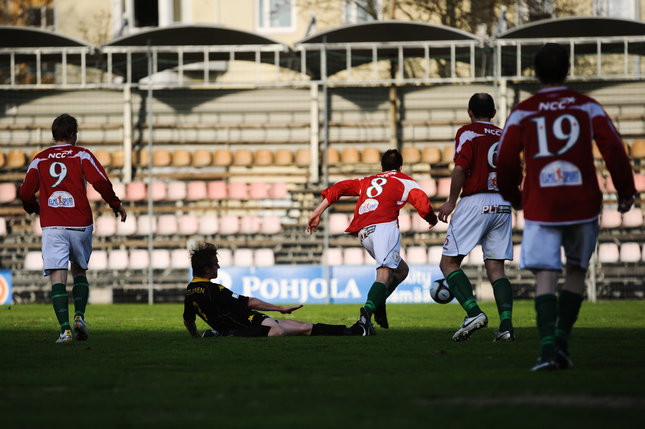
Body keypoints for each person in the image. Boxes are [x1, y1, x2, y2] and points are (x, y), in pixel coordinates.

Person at [497, 43, 636, 371]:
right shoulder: (587, 106)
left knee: (546, 273)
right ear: (568, 70)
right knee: (576, 269)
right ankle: (561, 343)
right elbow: (614, 148)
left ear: (534, 72)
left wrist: (515, 196)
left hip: (542, 204)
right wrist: (626, 190)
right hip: (582, 202)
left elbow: (504, 161)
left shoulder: (524, 110)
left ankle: (547, 351)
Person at [19, 113, 127, 343]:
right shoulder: (82, 154)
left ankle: (65, 330)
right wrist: (115, 204)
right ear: (73, 135)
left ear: (53, 135)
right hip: (80, 223)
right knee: (79, 271)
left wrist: (34, 208)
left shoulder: (40, 159)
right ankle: (79, 316)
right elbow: (100, 181)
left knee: (58, 276)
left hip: (53, 225)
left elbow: (25, 193)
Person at [306, 148, 438, 334]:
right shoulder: (405, 181)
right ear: (400, 167)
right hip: (384, 228)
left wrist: (317, 211)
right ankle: (365, 318)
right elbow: (422, 202)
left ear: (381, 167)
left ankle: (378, 301)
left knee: (401, 270)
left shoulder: (367, 181)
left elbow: (340, 187)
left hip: (363, 233)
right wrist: (432, 219)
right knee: (384, 276)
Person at [437, 93, 515, 343]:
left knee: (448, 264)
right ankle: (506, 326)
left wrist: (451, 200)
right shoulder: (505, 135)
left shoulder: (468, 132)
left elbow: (461, 166)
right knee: (496, 268)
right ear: (493, 113)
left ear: (470, 112)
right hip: (502, 202)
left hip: (475, 200)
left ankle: (473, 312)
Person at [183, 242, 365, 337]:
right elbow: (251, 302)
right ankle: (220, 336)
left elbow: (188, 321)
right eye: (216, 264)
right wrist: (281, 308)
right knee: (277, 332)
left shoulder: (190, 292)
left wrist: (197, 337)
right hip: (247, 322)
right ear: (206, 269)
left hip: (247, 322)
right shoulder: (214, 289)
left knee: (305, 327)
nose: (219, 267)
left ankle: (354, 331)